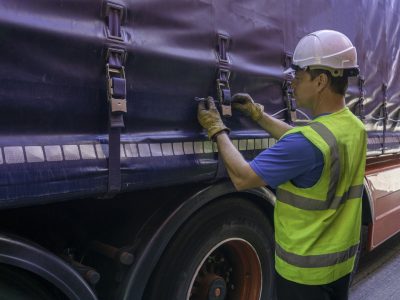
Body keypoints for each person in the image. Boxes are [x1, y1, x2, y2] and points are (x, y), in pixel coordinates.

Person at [197, 30, 367, 300]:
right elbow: (302, 142)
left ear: (321, 81)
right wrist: (259, 116)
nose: (293, 85)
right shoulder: (354, 127)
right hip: (340, 266)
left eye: (298, 78)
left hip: (303, 275)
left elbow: (243, 177)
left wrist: (217, 130)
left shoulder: (308, 143)